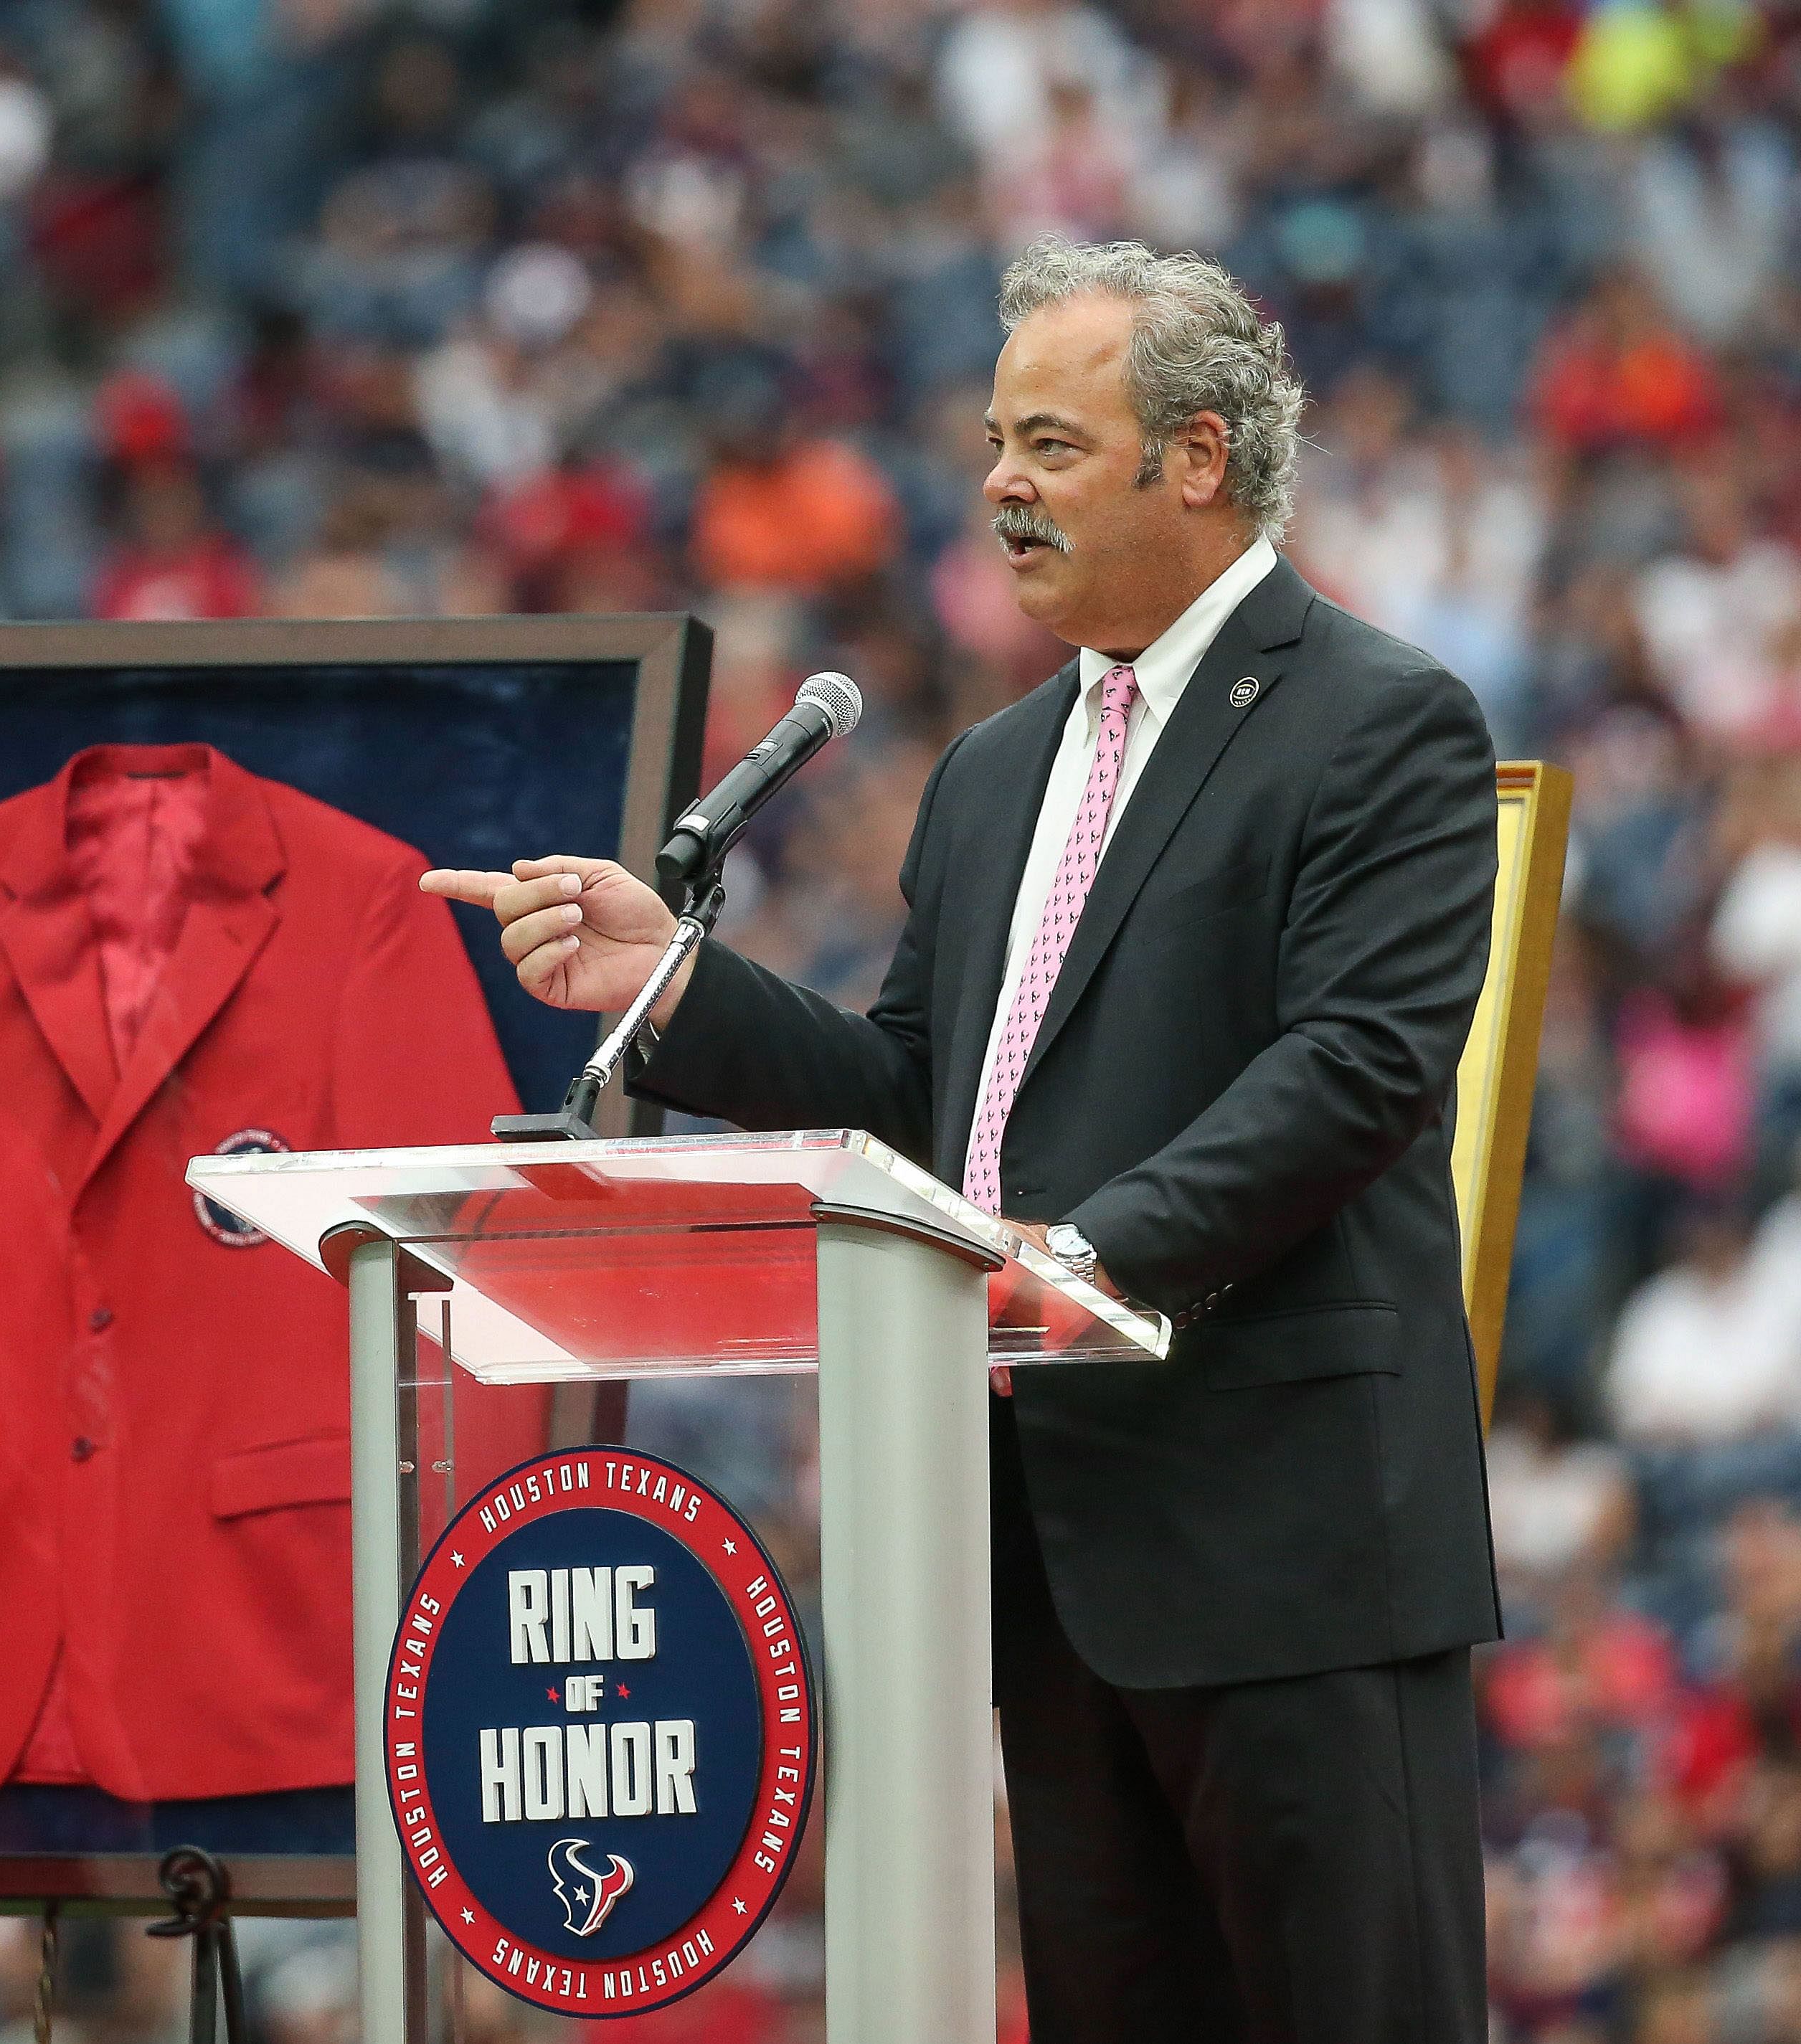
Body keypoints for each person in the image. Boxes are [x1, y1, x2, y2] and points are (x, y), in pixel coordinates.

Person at [425, 240, 1500, 2042]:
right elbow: (918, 1096)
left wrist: (1084, 1255)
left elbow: (1359, 1065)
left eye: (1052, 445)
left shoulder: (1374, 719)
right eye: (996, 440)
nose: (997, 483)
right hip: (1049, 1546)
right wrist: (673, 986)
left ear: (1198, 459)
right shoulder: (997, 767)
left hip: (1285, 1541)